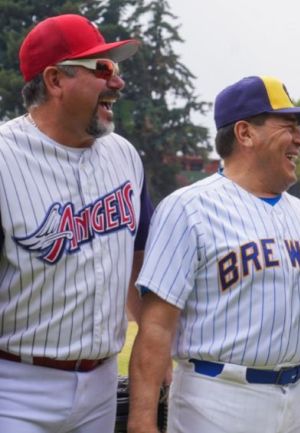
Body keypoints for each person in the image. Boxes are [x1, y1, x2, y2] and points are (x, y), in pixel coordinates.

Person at [127, 76, 300, 433]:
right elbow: (156, 325)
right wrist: (142, 423)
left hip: (294, 401)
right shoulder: (189, 208)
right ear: (245, 133)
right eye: (289, 127)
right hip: (216, 399)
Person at [0, 13, 152, 433]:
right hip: (15, 386)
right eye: (101, 69)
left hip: (102, 383)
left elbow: (138, 265)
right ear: (54, 80)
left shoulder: (125, 156)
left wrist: (156, 357)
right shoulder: (4, 158)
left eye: (115, 69)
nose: (117, 82)